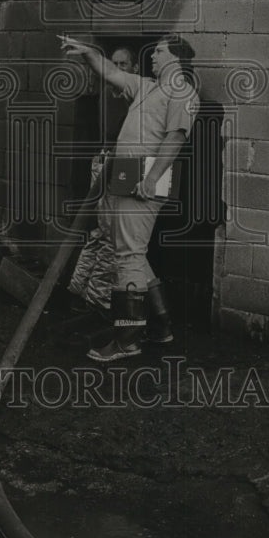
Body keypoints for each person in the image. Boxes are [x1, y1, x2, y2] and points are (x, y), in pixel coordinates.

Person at [59, 33, 199, 363]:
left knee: (128, 256)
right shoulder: (149, 87)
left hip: (145, 176)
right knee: (131, 252)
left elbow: (175, 138)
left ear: (176, 58)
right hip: (128, 173)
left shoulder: (182, 92)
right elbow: (111, 72)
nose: (152, 56)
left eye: (160, 51)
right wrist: (87, 53)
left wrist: (151, 179)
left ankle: (128, 339)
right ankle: (161, 325)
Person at [68, 44, 138, 313]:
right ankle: (95, 300)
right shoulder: (117, 94)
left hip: (113, 162)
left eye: (124, 65)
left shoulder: (129, 93)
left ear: (134, 68)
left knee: (102, 234)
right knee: (110, 237)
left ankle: (81, 291)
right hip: (113, 164)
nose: (118, 69)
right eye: (115, 65)